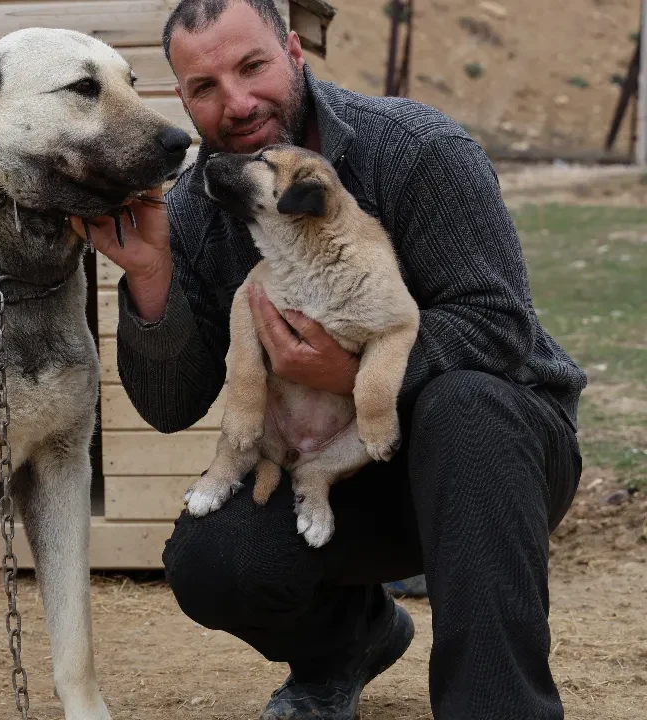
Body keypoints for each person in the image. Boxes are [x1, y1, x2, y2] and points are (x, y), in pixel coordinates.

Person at [72, 1, 586, 718]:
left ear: (293, 52)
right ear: (183, 99)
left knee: (465, 406)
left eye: (252, 66)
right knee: (213, 564)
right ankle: (350, 643)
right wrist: (151, 276)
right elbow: (169, 407)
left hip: (497, 461)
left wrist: (354, 375)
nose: (237, 102)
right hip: (335, 469)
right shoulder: (195, 206)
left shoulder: (417, 150)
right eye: (206, 86)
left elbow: (500, 327)